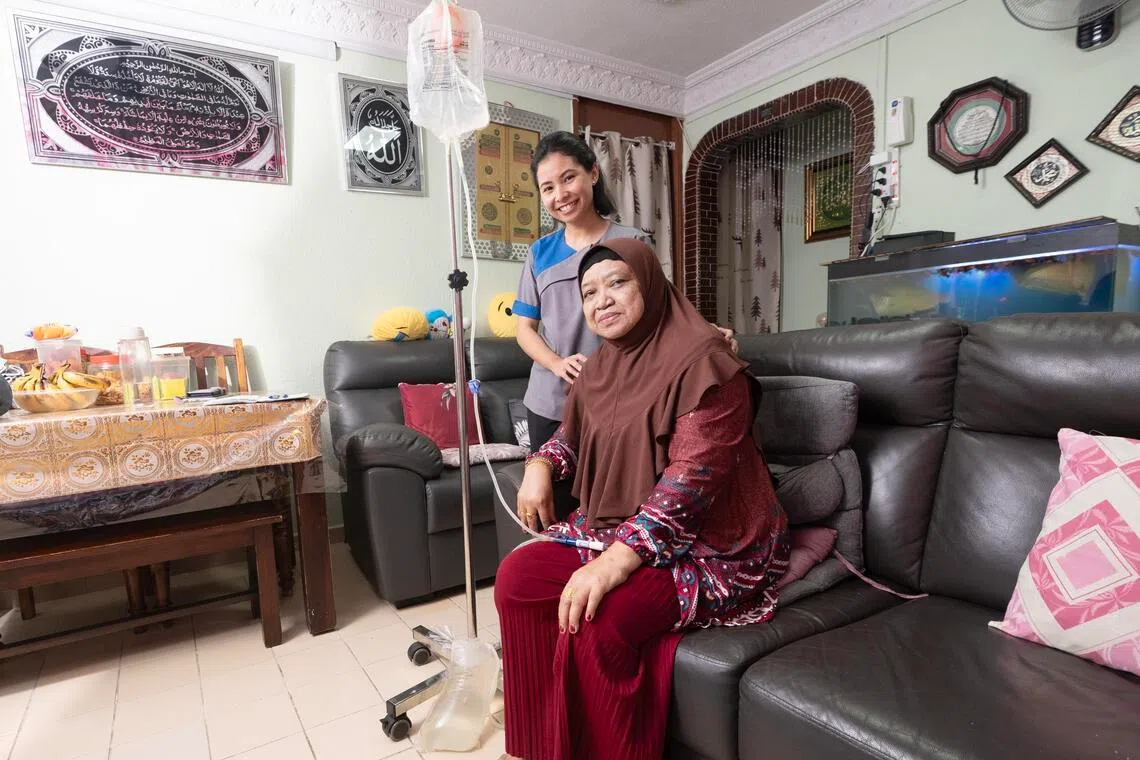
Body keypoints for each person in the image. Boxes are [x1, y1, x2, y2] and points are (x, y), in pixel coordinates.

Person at [495, 237, 790, 760]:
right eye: (588, 292)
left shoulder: (707, 363)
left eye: (617, 282)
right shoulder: (602, 366)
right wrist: (539, 465)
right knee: (517, 581)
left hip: (711, 542)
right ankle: (542, 747)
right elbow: (575, 436)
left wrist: (609, 566)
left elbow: (691, 485)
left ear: (650, 284)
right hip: (622, 527)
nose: (601, 300)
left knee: (597, 615)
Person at [512, 131, 735, 453]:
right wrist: (558, 364)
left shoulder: (631, 242)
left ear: (592, 173)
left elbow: (664, 309)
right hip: (550, 402)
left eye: (568, 178)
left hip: (619, 399)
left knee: (612, 498)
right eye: (548, 188)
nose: (560, 194)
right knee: (553, 495)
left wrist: (709, 334)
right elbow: (524, 329)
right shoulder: (539, 253)